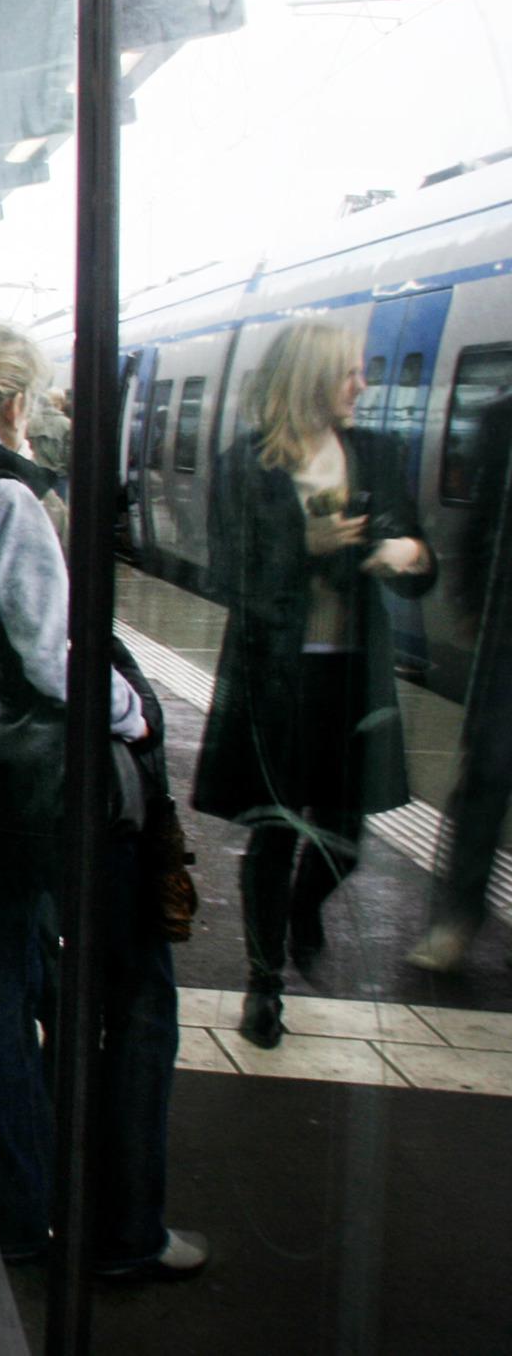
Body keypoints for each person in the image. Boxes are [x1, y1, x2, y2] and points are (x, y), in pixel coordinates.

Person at [0, 315, 203, 1280]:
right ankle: (105, 1222)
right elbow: (41, 648)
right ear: (11, 399)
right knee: (114, 986)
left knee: (0, 972)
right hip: (36, 773)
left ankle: (14, 1210)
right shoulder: (4, 492)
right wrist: (130, 712)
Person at [194, 319, 433, 1049]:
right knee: (274, 831)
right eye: (348, 373)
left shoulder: (376, 455)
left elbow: (424, 559)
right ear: (309, 380)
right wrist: (307, 548)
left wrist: (406, 553)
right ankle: (263, 985)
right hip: (275, 676)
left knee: (346, 837)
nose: (361, 384)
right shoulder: (248, 466)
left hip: (349, 675)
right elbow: (229, 574)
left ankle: (303, 910)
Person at [413, 388, 512, 972]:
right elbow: (477, 527)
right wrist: (474, 606)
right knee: (488, 775)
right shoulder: (503, 417)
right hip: (509, 633)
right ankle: (457, 917)